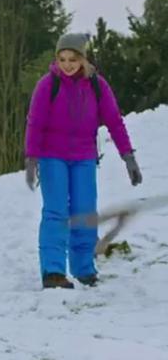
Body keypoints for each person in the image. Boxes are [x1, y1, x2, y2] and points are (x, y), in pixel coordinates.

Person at [24, 33, 142, 289]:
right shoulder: (48, 85)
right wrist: (32, 159)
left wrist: (128, 157)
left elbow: (114, 122)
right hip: (52, 156)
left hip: (84, 157)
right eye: (62, 59)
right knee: (56, 212)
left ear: (83, 59)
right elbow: (35, 123)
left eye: (73, 59)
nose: (67, 64)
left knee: (85, 212)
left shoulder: (97, 86)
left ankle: (84, 269)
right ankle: (53, 271)